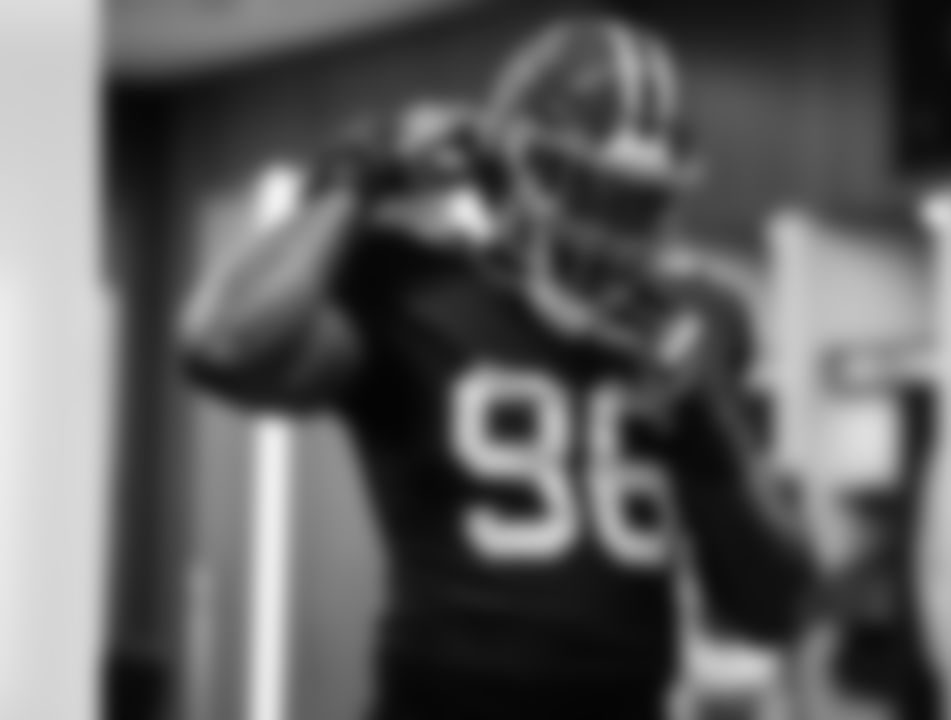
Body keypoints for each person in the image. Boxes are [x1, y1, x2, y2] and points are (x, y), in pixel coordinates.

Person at [180, 15, 821, 720]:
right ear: (509, 164)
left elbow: (778, 609)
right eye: (579, 185)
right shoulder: (414, 283)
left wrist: (711, 429)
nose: (606, 226)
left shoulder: (702, 318)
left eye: (636, 201)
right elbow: (221, 346)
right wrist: (358, 181)